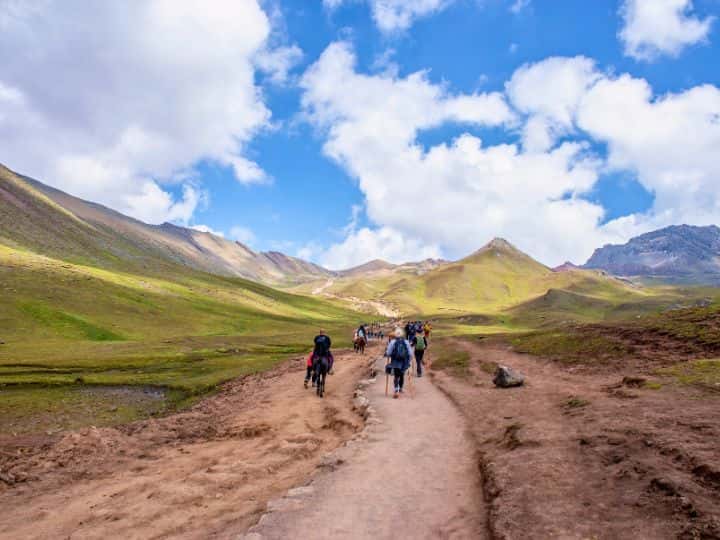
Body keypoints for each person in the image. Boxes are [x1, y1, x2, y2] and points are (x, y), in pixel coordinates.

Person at [385, 327, 413, 399]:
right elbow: (410, 353)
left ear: (395, 335)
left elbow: (388, 352)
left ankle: (396, 390)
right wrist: (409, 360)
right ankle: (400, 388)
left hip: (395, 361)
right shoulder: (406, 341)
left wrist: (388, 355)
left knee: (396, 376)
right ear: (402, 334)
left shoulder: (392, 342)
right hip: (404, 362)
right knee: (402, 375)